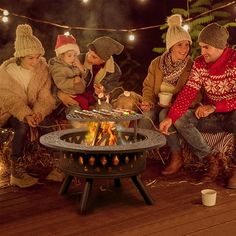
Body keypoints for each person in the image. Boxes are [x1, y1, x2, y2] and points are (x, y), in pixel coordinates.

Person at [159, 23, 236, 187]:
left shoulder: (234, 62)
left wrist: (216, 107)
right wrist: (171, 118)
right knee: (180, 120)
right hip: (213, 116)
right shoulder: (200, 63)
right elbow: (189, 91)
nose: (202, 52)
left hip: (232, 114)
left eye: (206, 47)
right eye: (201, 47)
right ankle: (211, 160)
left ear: (219, 46)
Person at [138, 14, 198, 175]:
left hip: (177, 106)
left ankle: (177, 156)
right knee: (146, 115)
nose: (184, 49)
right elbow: (148, 87)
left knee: (166, 114)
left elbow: (195, 92)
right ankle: (138, 156)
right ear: (170, 47)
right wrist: (147, 101)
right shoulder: (157, 63)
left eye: (187, 45)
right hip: (157, 102)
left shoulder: (191, 66)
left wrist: (176, 105)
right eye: (180, 45)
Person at [0, 24, 57, 188]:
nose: (35, 61)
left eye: (38, 57)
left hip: (34, 109)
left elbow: (45, 96)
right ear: (20, 57)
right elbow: (9, 100)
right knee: (22, 127)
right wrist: (26, 115)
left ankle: (59, 163)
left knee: (48, 123)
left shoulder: (42, 69)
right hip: (11, 111)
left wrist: (39, 112)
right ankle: (16, 170)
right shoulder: (7, 72)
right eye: (30, 58)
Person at [57, 36, 141, 112]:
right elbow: (58, 77)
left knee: (105, 110)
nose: (89, 57)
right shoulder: (78, 59)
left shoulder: (114, 71)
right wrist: (61, 94)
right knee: (75, 111)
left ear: (104, 60)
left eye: (94, 57)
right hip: (75, 96)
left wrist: (101, 93)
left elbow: (108, 95)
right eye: (89, 52)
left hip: (96, 100)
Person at [49, 34, 93, 112]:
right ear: (61, 56)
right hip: (69, 92)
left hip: (79, 90)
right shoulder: (59, 68)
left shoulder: (73, 63)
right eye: (69, 55)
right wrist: (72, 81)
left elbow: (85, 76)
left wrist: (80, 67)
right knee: (83, 102)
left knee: (91, 97)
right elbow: (60, 82)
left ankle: (93, 111)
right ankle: (85, 117)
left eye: (75, 55)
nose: (73, 58)